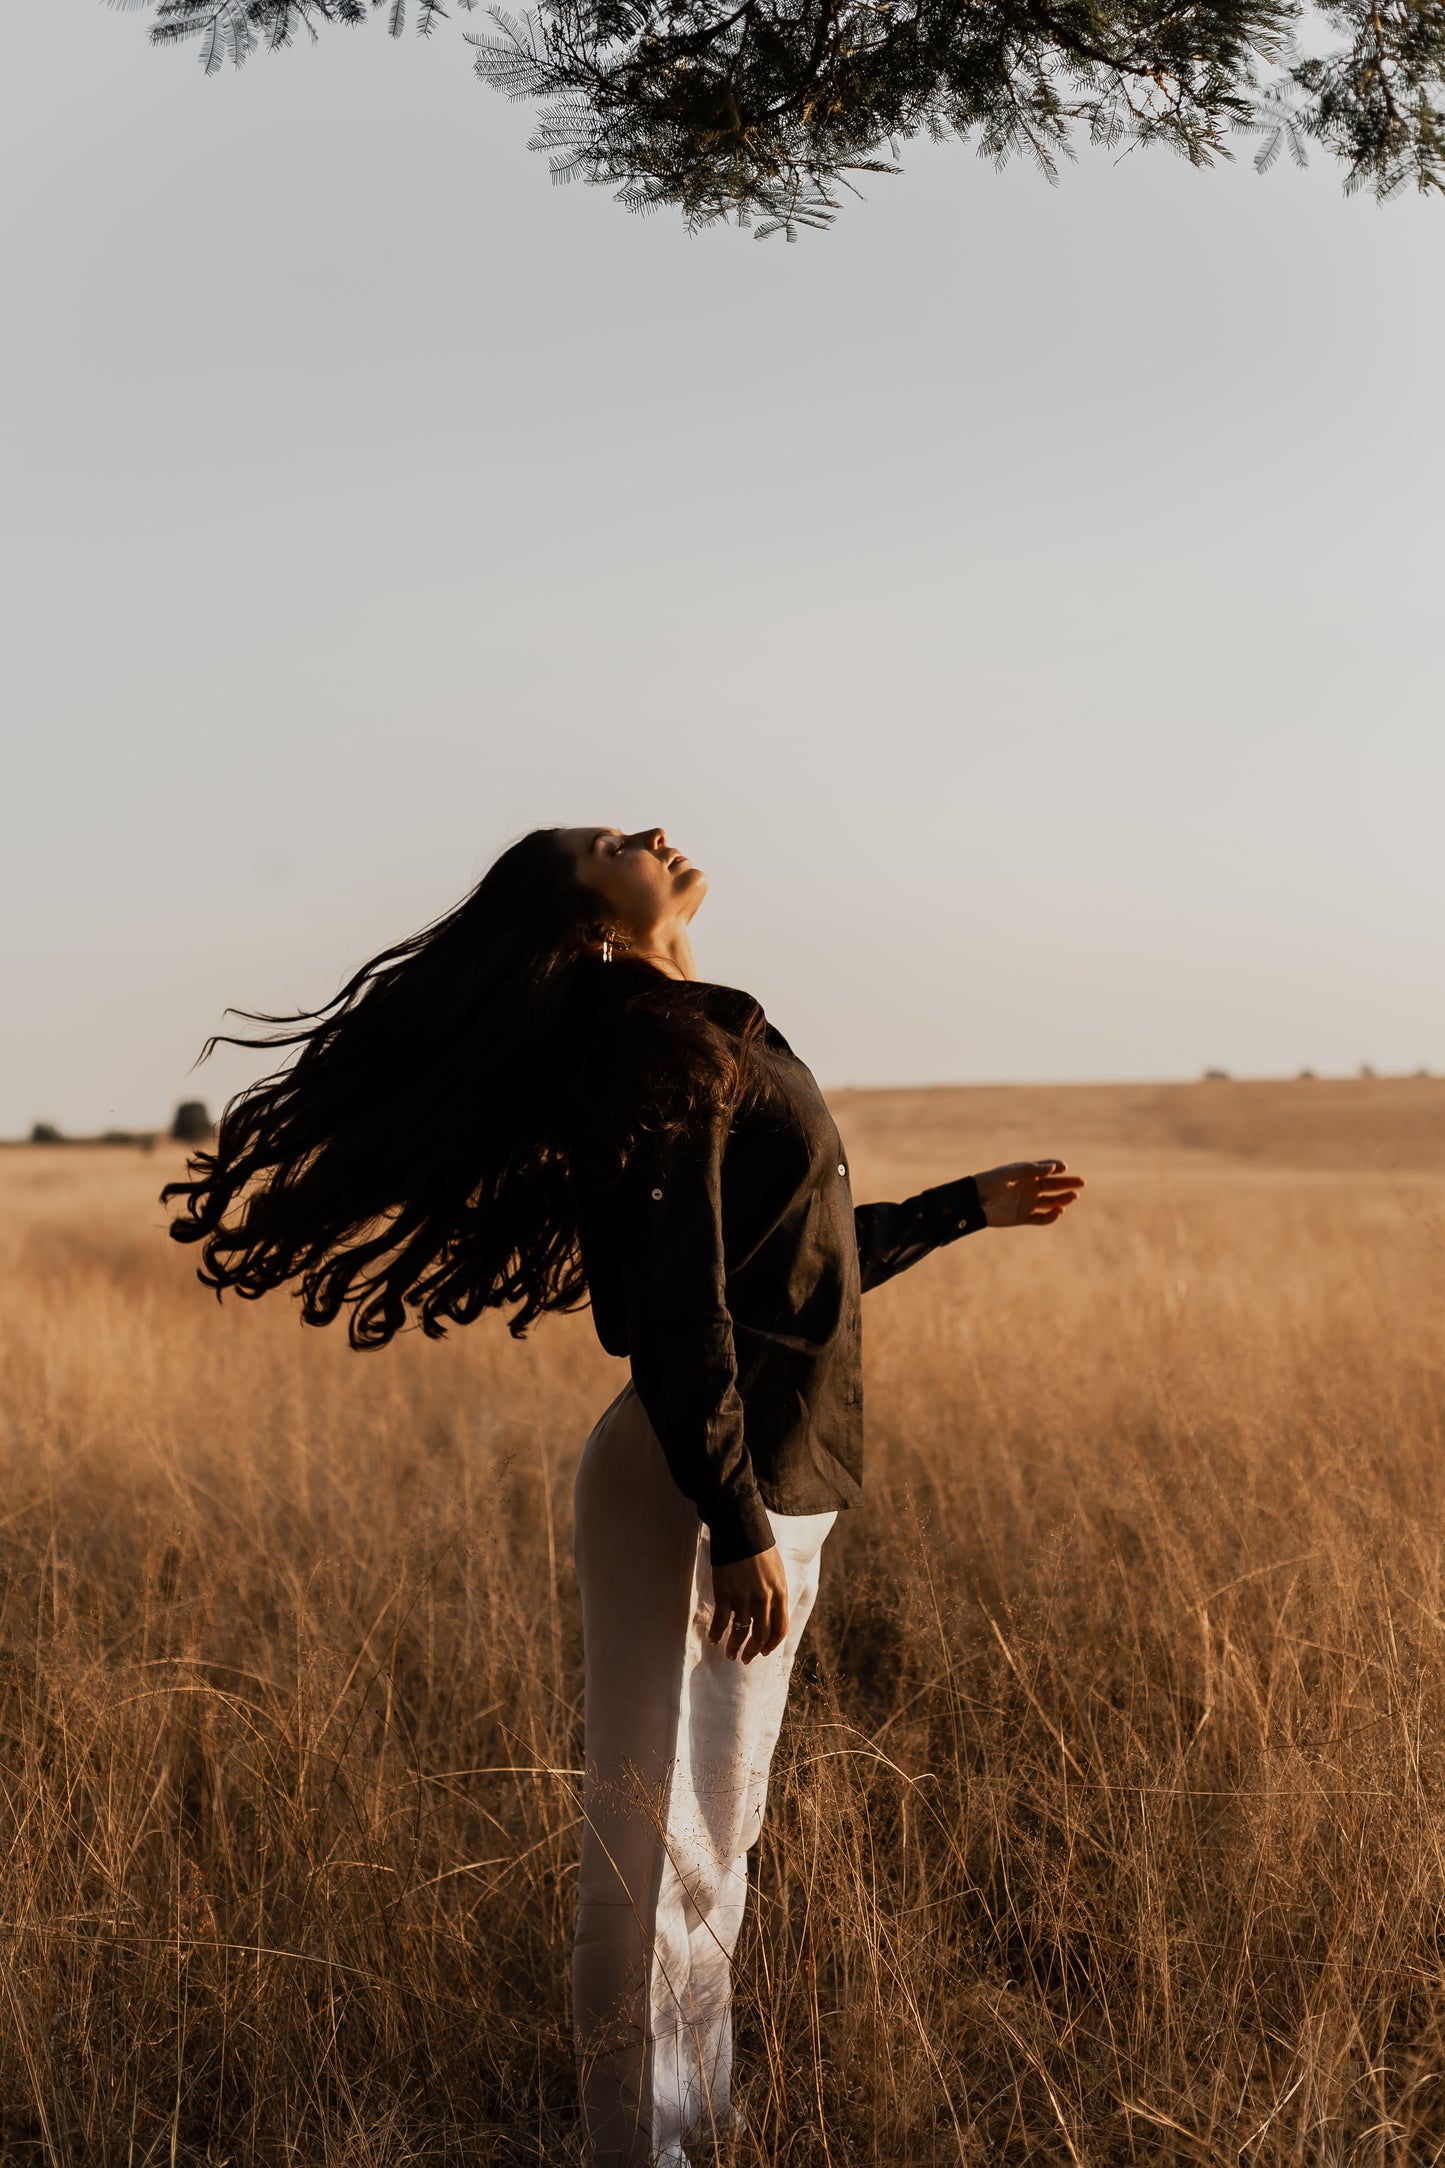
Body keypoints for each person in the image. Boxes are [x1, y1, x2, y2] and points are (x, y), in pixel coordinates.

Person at [162, 824, 1084, 2168]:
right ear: (586, 911)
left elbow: (783, 1274)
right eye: (611, 839)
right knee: (656, 1849)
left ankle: (691, 2133)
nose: (652, 832)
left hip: (753, 1473)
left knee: (714, 1839)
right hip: (699, 1479)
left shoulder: (698, 1031)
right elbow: (676, 1306)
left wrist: (959, 1208)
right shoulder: (645, 1041)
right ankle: (635, 2149)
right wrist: (729, 1518)